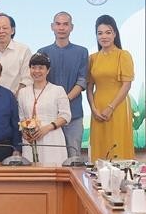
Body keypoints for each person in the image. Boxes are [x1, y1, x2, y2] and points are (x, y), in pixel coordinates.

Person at [38, 11, 89, 158]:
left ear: (71, 27)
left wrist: (64, 100)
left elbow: (82, 80)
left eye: (65, 24)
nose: (61, 27)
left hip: (74, 115)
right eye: (58, 24)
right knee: (50, 157)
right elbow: (40, 82)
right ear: (52, 27)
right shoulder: (43, 52)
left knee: (74, 158)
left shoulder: (81, 52)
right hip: (50, 118)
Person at [86, 14, 135, 161]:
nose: (104, 37)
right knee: (99, 147)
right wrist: (93, 109)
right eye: (100, 33)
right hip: (98, 107)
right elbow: (89, 87)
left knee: (117, 145)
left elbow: (127, 85)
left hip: (118, 107)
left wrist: (111, 107)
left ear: (114, 34)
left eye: (108, 32)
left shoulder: (123, 55)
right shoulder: (93, 58)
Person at [18, 53, 71, 165]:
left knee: (53, 172)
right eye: (33, 67)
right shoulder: (23, 92)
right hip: (30, 139)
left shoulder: (58, 90)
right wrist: (25, 132)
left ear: (48, 70)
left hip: (52, 136)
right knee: (31, 175)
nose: (37, 71)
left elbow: (66, 116)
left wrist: (47, 128)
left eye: (41, 68)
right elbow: (21, 117)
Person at [0, 13, 32, 95]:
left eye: (5, 28)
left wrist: (15, 98)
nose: (1, 31)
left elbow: (27, 79)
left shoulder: (23, 50)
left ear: (12, 30)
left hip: (14, 99)